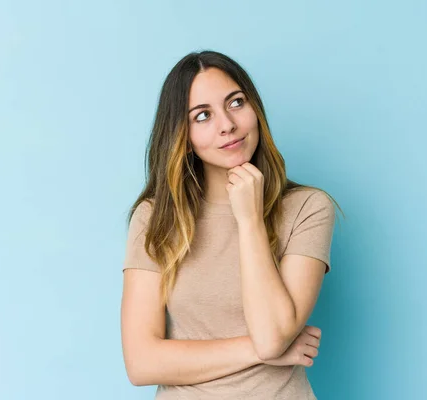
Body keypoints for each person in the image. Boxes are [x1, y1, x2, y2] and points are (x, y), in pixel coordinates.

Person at [120, 50, 343, 399]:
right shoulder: (156, 218)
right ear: (183, 135)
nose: (227, 124)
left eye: (236, 103)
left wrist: (250, 220)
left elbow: (272, 335)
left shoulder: (308, 208)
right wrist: (256, 350)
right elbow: (141, 362)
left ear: (255, 108)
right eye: (203, 115)